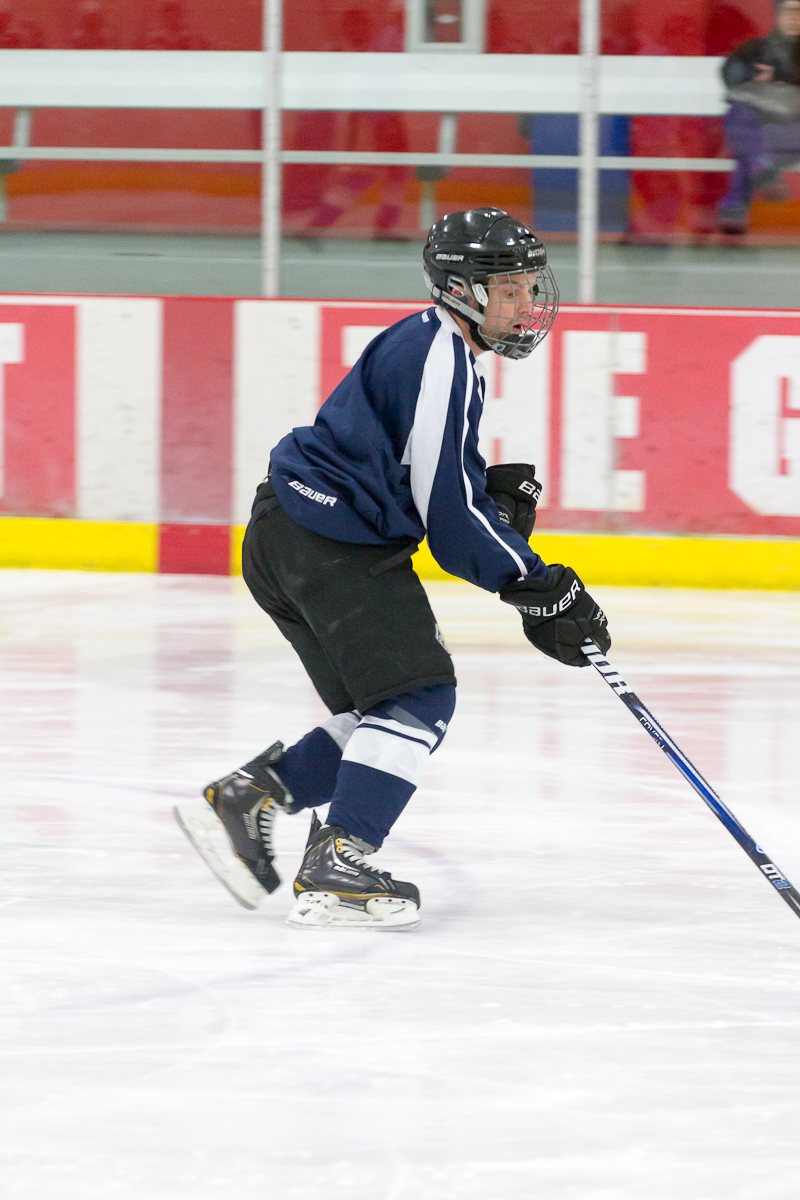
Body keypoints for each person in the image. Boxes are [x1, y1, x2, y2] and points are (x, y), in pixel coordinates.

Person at [174, 207, 611, 930]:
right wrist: (534, 582)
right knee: (418, 698)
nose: (526, 303)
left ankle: (254, 796)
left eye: (529, 286)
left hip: (290, 535)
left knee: (381, 710)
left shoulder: (431, 344)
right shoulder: (443, 358)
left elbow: (429, 479)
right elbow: (448, 513)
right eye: (508, 289)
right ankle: (339, 860)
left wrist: (491, 508)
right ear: (461, 289)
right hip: (329, 545)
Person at [718, 0, 800, 233]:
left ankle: (737, 201)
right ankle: (761, 166)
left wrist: (779, 77)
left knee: (747, 143)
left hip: (793, 132)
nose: (794, 17)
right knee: (739, 113)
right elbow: (730, 74)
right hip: (760, 131)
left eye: (799, 11)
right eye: (789, 10)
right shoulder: (755, 49)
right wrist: (752, 76)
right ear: (777, 14)